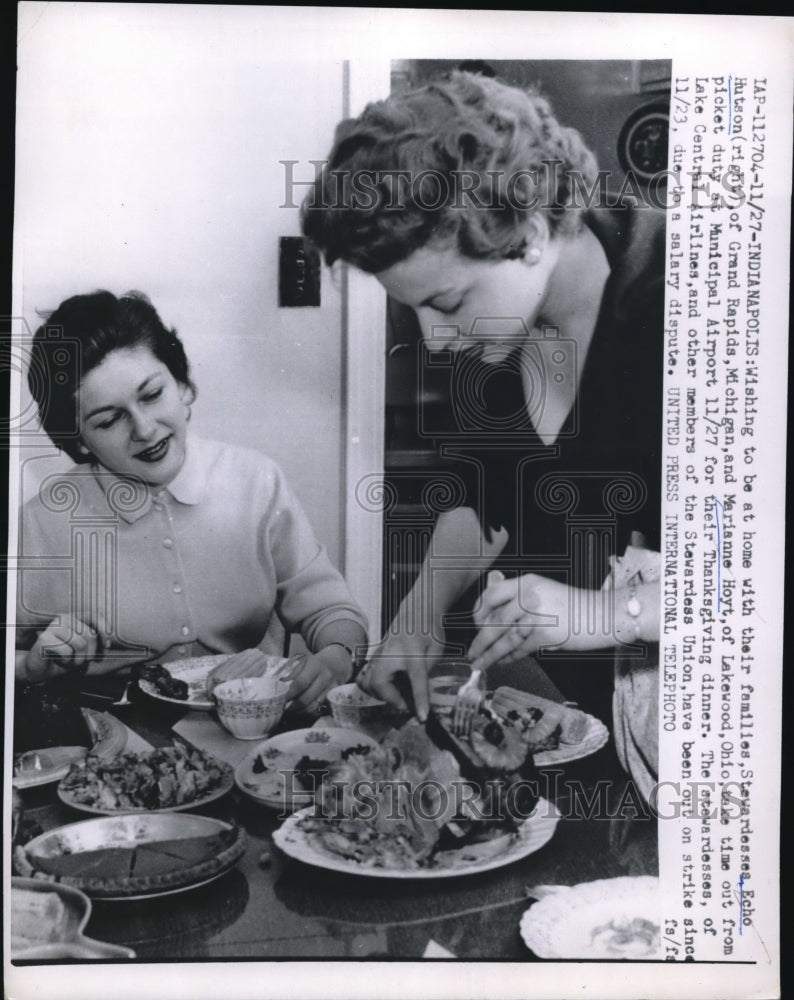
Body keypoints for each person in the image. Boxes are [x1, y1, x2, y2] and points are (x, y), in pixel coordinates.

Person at [302, 71, 663, 798]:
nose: (436, 344)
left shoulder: (693, 300)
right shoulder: (496, 335)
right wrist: (416, 617)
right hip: (588, 733)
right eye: (416, 314)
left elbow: (759, 583)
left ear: (527, 230)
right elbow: (483, 497)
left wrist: (598, 612)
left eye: (447, 301)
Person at [15, 290, 367, 714]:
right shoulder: (42, 521)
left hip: (250, 729)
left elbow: (330, 610)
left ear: (182, 385)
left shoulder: (256, 481)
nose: (145, 429)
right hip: (108, 744)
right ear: (79, 441)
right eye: (109, 420)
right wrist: (32, 666)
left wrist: (336, 657)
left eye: (152, 395)